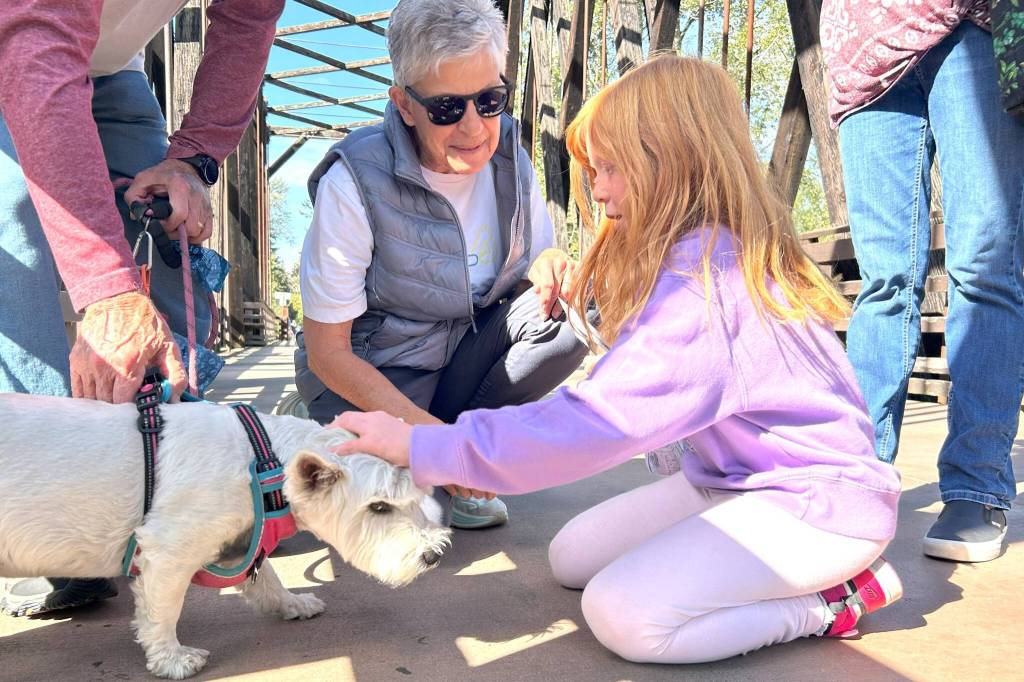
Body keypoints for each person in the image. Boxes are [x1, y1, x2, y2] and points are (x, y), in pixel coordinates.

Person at [326, 56, 905, 664]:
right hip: (731, 482)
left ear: (674, 161)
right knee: (570, 557)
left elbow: (593, 425)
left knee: (623, 614)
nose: (597, 190)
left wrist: (426, 447)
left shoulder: (710, 288)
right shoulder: (704, 253)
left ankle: (832, 601)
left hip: (817, 507)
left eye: (610, 168)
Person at [0, 0, 284, 615]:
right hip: (14, 40)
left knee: (162, 240)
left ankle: (174, 496)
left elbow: (249, 19)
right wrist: (104, 288)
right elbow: (35, 43)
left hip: (113, 65)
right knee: (16, 248)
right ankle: (61, 529)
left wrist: (192, 158)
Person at [294, 0, 588, 530]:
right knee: (403, 510)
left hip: (460, 359)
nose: (475, 127)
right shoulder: (354, 181)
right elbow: (327, 353)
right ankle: (402, 444)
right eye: (448, 109)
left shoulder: (511, 156)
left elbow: (532, 266)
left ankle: (458, 452)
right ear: (404, 105)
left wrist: (548, 261)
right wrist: (433, 442)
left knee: (569, 319)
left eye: (490, 99)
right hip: (377, 374)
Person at [822, 1, 1024, 562]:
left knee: (984, 266)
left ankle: (975, 484)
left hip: (975, 25)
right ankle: (861, 472)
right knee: (884, 280)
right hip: (862, 44)